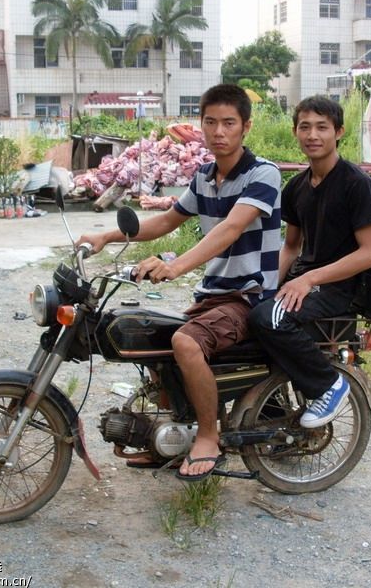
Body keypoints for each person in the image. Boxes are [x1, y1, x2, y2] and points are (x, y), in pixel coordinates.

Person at [77, 84, 282, 480]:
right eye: (211, 122)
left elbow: (232, 228)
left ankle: (208, 437)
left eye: (229, 123)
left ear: (246, 127)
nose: (219, 131)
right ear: (200, 126)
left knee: (185, 343)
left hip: (250, 295)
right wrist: (108, 236)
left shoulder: (263, 174)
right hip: (214, 295)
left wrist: (177, 265)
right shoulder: (204, 176)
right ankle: (169, 441)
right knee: (151, 341)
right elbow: (167, 221)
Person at [248, 96, 371, 429]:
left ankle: (328, 385)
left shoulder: (356, 184)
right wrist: (264, 286)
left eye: (322, 127)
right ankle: (271, 413)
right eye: (305, 127)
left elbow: (369, 253)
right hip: (305, 281)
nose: (313, 135)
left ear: (339, 132)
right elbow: (291, 247)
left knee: (270, 318)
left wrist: (307, 280)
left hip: (337, 288)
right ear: (295, 132)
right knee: (245, 310)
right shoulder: (296, 187)